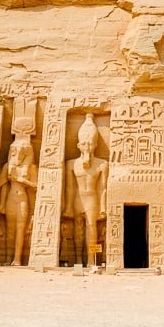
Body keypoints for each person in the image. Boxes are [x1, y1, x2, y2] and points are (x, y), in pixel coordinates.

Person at [64, 114, 109, 266]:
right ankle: (77, 259)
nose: (87, 147)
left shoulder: (102, 164)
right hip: (78, 198)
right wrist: (69, 206)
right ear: (79, 145)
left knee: (91, 227)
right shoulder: (71, 164)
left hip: (92, 199)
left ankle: (91, 260)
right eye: (84, 144)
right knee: (78, 229)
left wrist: (103, 207)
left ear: (95, 145)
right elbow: (70, 188)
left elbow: (103, 188)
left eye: (90, 144)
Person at [0, 138, 37, 266]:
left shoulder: (31, 168)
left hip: (22, 200)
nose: (17, 155)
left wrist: (21, 180)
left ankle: (17, 258)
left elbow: (36, 186)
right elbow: (3, 186)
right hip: (10, 199)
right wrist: (1, 204)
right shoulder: (8, 166)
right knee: (10, 230)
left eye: (21, 153)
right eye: (14, 152)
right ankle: (8, 258)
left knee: (20, 229)